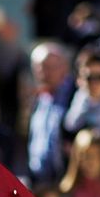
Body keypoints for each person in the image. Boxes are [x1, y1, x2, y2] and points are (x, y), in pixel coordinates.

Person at [27, 43, 74, 186]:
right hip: (40, 183)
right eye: (38, 68)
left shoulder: (75, 95)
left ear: (64, 67)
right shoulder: (41, 98)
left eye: (48, 67)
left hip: (65, 181)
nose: (43, 73)